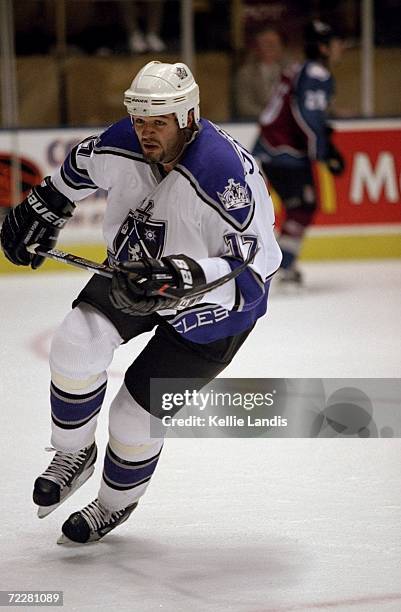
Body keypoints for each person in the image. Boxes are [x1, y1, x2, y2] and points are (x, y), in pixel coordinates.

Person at [0, 61, 282, 544]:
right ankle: (73, 453)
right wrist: (46, 204)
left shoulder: (224, 177)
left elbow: (254, 269)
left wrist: (184, 275)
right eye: (140, 120)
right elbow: (80, 164)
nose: (147, 133)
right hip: (136, 272)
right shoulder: (124, 141)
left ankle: (113, 504)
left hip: (215, 308)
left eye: (160, 122)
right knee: (75, 339)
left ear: (189, 118)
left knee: (134, 414)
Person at [252, 20, 345, 285]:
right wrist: (322, 150)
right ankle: (279, 266)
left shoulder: (298, 69)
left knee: (301, 206)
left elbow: (296, 111)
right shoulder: (317, 74)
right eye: (338, 44)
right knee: (303, 206)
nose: (342, 50)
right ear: (325, 48)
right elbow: (306, 113)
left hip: (274, 148)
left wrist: (323, 141)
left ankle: (279, 263)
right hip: (285, 151)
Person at [235, 27, 288, 120]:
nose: (270, 47)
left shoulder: (291, 72)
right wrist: (269, 116)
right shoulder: (245, 74)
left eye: (273, 44)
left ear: (281, 46)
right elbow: (244, 105)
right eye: (266, 44)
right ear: (257, 48)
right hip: (255, 123)